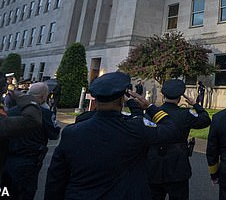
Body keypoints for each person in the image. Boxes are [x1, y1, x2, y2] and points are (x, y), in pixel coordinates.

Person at [44, 71, 178, 199]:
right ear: (121, 101)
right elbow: (171, 129)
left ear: (95, 100)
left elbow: (56, 179)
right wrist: (149, 107)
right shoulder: (135, 129)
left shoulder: (71, 132)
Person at [148, 79, 211, 200]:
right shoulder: (185, 114)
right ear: (180, 98)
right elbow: (205, 120)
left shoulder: (152, 113)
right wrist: (195, 104)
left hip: (154, 165)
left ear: (163, 95)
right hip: (177, 166)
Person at [2, 82, 61, 200]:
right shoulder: (45, 114)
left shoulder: (12, 111)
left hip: (7, 159)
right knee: (25, 193)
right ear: (43, 97)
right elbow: (54, 134)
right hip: (30, 160)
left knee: (6, 192)